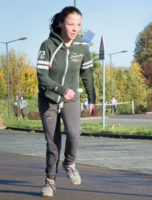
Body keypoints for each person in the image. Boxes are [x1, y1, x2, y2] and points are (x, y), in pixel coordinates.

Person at [36, 6, 96, 197]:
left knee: (74, 133)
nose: (75, 29)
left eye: (78, 25)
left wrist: (92, 98)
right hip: (49, 98)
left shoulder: (83, 47)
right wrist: (61, 90)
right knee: (53, 144)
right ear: (61, 23)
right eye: (71, 24)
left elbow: (87, 74)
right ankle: (50, 181)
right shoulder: (48, 45)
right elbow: (42, 76)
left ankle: (69, 164)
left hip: (72, 99)